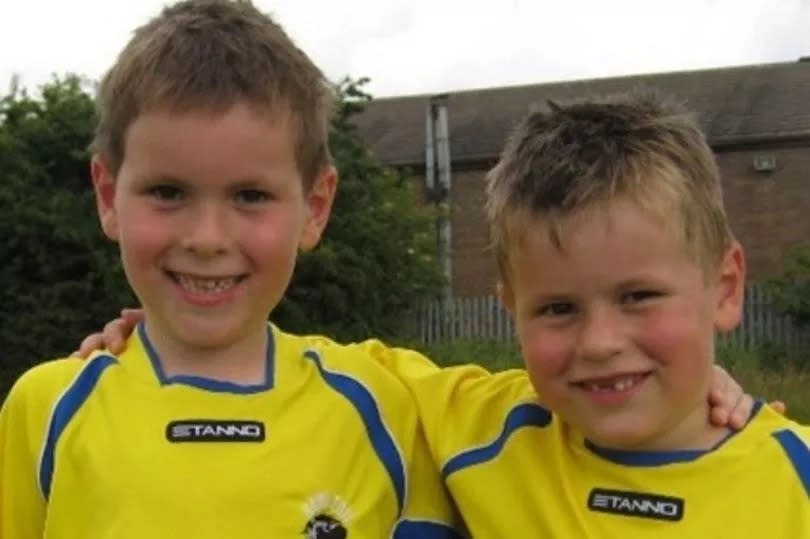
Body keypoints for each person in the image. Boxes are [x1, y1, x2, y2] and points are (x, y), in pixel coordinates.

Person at [76, 91, 798, 536]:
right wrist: (161, 335)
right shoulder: (474, 424)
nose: (602, 343)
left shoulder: (794, 473)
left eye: (638, 297)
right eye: (557, 308)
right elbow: (289, 365)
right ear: (509, 308)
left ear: (725, 286)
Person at [0, 2, 459, 538]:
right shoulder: (45, 409)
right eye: (167, 192)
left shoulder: (384, 405)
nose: (208, 240)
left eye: (250, 195)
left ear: (314, 206)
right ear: (108, 196)